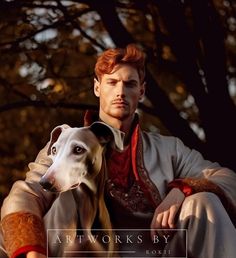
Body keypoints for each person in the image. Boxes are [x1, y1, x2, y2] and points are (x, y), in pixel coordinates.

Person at [1, 44, 236, 258]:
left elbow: (227, 179)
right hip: (80, 251)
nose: (120, 92)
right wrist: (33, 253)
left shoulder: (170, 149)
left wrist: (183, 189)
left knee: (204, 201)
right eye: (112, 83)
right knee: (70, 192)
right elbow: (25, 194)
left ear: (141, 92)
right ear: (97, 87)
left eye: (130, 84)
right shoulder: (64, 143)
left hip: (159, 253)